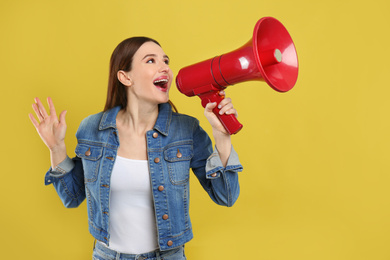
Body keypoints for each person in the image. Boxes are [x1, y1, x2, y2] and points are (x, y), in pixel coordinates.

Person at [29, 37, 243, 260]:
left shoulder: (186, 130)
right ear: (125, 77)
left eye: (166, 61)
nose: (165, 68)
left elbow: (226, 196)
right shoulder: (93, 128)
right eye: (151, 61)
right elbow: (71, 197)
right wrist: (56, 147)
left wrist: (222, 137)